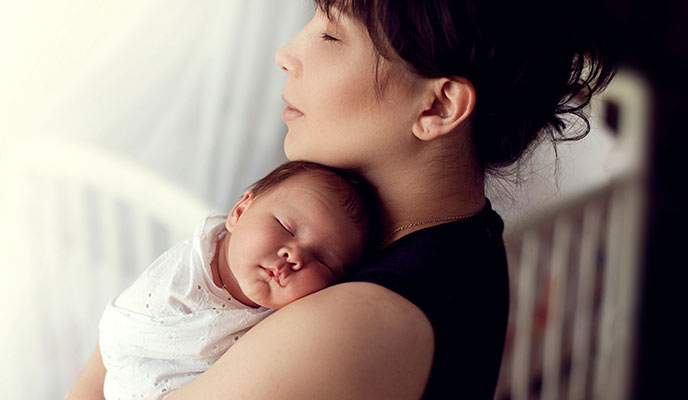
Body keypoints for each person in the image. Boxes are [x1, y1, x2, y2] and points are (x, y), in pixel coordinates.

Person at [69, 0, 615, 398]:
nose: (286, 53)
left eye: (331, 36)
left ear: (439, 107)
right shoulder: (461, 236)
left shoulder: (355, 322)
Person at [93, 161, 377, 399]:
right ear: (239, 212)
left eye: (322, 260)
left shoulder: (297, 320)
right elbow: (123, 337)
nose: (294, 255)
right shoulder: (179, 281)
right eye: (286, 228)